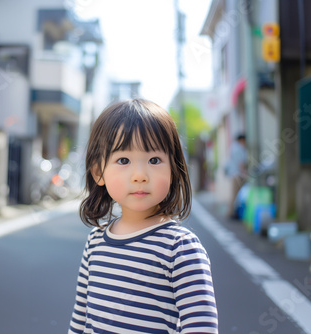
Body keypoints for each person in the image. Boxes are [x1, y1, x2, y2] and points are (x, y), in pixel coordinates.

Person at [69, 99, 218, 333]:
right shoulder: (95, 241)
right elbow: (80, 317)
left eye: (154, 160)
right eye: (124, 160)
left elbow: (201, 327)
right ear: (99, 173)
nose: (140, 175)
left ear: (174, 170)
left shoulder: (180, 247)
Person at [226, 134, 248, 219]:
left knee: (234, 194)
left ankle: (231, 212)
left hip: (233, 174)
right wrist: (244, 173)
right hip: (238, 175)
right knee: (237, 195)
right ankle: (233, 213)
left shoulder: (233, 148)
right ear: (242, 140)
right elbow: (241, 163)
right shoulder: (240, 149)